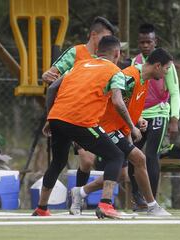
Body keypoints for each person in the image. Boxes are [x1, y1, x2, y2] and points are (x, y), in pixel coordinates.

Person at [32, 35, 141, 219]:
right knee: (116, 155)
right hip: (81, 121)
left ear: (98, 52)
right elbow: (117, 101)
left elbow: (52, 89)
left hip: (58, 116)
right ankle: (106, 204)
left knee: (58, 162)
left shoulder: (79, 65)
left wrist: (50, 118)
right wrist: (132, 126)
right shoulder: (115, 71)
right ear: (117, 53)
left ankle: (42, 208)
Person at [69, 48, 173, 216]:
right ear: (158, 66)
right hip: (106, 127)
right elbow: (115, 101)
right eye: (167, 68)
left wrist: (137, 120)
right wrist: (132, 126)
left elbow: (127, 104)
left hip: (117, 128)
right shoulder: (130, 76)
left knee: (122, 171)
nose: (167, 73)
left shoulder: (144, 80)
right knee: (139, 159)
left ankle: (80, 192)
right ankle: (151, 205)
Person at [41, 16, 121, 190]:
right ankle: (74, 201)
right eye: (104, 37)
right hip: (70, 114)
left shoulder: (108, 59)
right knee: (83, 159)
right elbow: (51, 76)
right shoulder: (76, 53)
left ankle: (78, 199)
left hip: (92, 117)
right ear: (93, 35)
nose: (106, 41)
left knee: (87, 162)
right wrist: (46, 75)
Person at [129, 23, 180, 210]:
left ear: (155, 41)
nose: (145, 45)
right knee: (133, 155)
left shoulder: (166, 63)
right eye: (142, 42)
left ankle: (151, 199)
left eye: (148, 41)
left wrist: (174, 118)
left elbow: (174, 92)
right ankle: (137, 196)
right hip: (139, 116)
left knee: (151, 154)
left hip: (160, 113)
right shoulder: (135, 63)